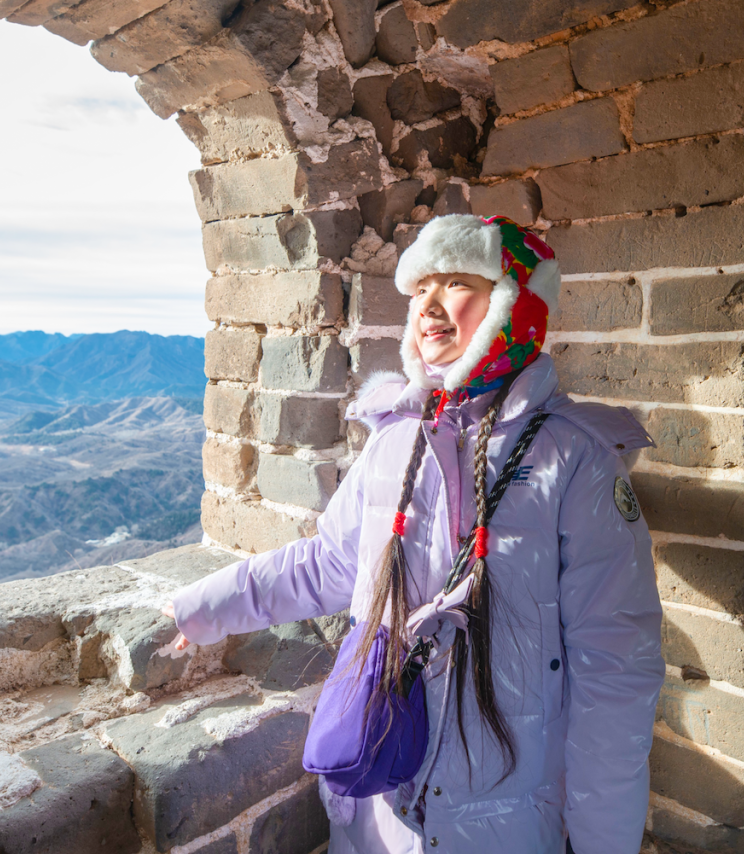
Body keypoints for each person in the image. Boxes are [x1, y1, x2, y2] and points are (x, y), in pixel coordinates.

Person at [163, 214, 665, 854]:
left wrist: (603, 844)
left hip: (502, 826)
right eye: (420, 288)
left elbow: (614, 673)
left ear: (514, 304)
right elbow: (329, 565)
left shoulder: (575, 462)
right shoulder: (396, 439)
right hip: (377, 814)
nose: (428, 305)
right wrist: (203, 607)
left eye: (457, 283)